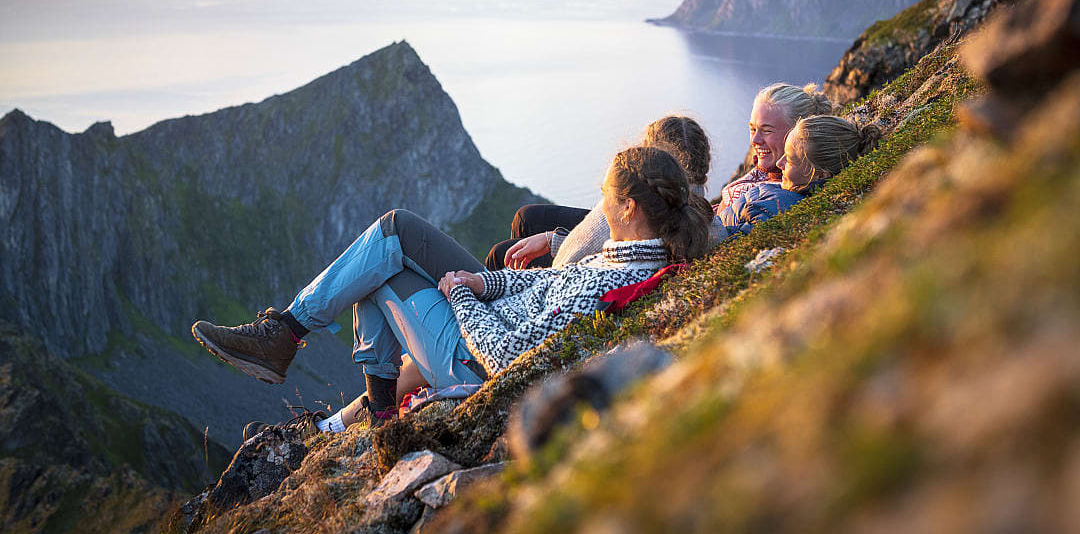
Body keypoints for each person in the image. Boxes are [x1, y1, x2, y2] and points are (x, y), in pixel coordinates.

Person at [192, 145, 712, 433]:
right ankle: (349, 388)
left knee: (383, 256)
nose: (599, 204)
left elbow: (507, 355)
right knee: (387, 245)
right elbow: (546, 283)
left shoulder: (613, 276)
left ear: (629, 208)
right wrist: (481, 280)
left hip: (476, 362)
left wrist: (461, 297)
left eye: (605, 197)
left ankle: (293, 342)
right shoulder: (629, 259)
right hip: (489, 321)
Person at [488, 115, 717, 271]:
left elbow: (571, 260)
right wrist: (551, 238)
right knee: (527, 217)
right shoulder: (699, 213)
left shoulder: (635, 207)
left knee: (503, 252)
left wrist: (552, 242)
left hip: (583, 264)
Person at [717, 115, 882, 238]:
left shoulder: (777, 207)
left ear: (820, 174)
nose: (779, 163)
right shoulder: (789, 191)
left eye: (789, 159)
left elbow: (725, 244)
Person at [718, 82, 834, 210]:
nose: (755, 140)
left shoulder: (781, 194)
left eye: (767, 131)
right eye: (752, 129)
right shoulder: (765, 175)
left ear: (799, 133)